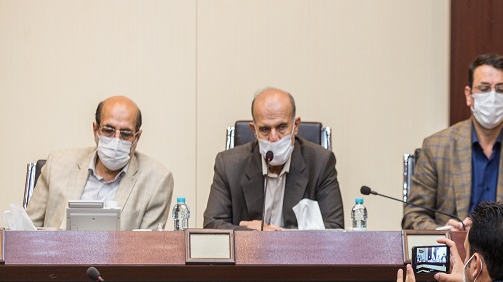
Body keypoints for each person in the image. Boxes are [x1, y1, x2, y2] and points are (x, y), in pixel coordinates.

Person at [402, 53, 503, 230]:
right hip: (450, 245)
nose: (492, 97)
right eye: (484, 88)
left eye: (500, 89)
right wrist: (444, 232)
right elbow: (413, 216)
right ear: (469, 95)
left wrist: (499, 234)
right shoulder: (436, 147)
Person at [203, 87, 344, 230]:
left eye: (281, 127)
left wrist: (278, 236)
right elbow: (212, 226)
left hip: (296, 246)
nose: (273, 138)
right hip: (248, 245)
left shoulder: (320, 163)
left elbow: (334, 228)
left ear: (295, 126)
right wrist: (251, 233)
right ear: (254, 130)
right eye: (265, 129)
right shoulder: (228, 165)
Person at [26, 96, 174, 230]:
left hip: (118, 252)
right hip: (56, 251)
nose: (116, 140)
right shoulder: (57, 164)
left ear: (137, 137)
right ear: (95, 130)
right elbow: (25, 231)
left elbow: (148, 246)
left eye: (125, 133)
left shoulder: (157, 180)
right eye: (108, 130)